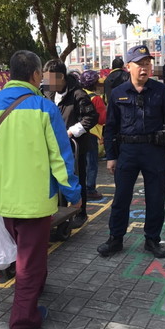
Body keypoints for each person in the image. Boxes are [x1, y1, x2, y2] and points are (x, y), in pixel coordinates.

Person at [0, 50, 81, 329]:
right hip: (35, 200)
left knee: (28, 254)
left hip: (2, 199)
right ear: (34, 75)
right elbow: (60, 157)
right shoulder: (44, 107)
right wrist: (74, 193)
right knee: (29, 259)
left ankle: (34, 291)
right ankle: (23, 317)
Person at [98, 45, 165, 258]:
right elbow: (110, 127)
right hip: (127, 151)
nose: (145, 68)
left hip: (154, 151)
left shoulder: (160, 90)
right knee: (121, 198)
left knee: (155, 198)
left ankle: (152, 240)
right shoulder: (118, 93)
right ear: (129, 67)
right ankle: (115, 239)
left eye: (147, 63)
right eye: (140, 64)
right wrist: (111, 156)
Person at [43, 59, 99, 229]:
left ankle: (81, 212)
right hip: (53, 146)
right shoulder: (46, 92)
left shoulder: (78, 94)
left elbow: (91, 117)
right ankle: (58, 210)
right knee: (55, 179)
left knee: (77, 179)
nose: (47, 83)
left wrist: (71, 131)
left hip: (75, 146)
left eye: (50, 79)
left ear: (61, 78)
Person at [79, 70, 106, 200]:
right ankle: (90, 189)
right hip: (92, 133)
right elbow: (102, 119)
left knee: (80, 162)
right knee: (92, 163)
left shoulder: (78, 95)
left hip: (78, 132)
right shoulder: (96, 98)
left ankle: (80, 188)